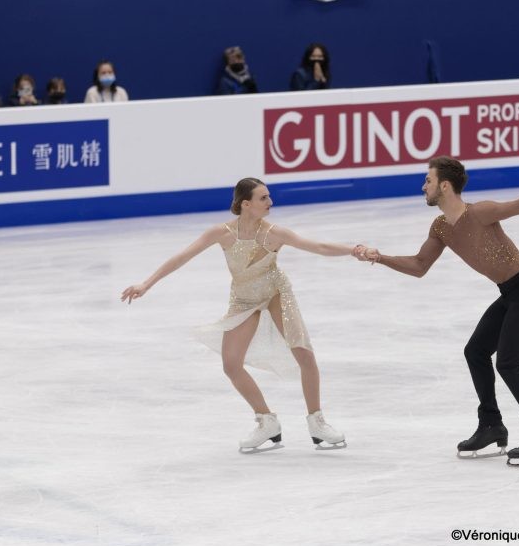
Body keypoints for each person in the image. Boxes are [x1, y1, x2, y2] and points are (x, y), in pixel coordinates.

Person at [354, 156, 519, 465]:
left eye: (427, 181)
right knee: (476, 352)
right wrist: (380, 257)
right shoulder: (441, 226)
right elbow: (419, 266)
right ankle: (492, 426)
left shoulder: (479, 212)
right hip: (510, 293)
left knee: (509, 364)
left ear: (444, 185)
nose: (423, 186)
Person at [121, 178, 355, 453]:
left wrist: (355, 250)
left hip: (276, 292)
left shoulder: (274, 233)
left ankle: (317, 422)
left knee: (304, 353)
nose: (271, 202)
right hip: (244, 299)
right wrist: (146, 284)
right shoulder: (221, 233)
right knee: (231, 365)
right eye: (263, 198)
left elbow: (319, 247)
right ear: (246, 204)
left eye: (269, 197)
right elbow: (182, 257)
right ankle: (267, 422)